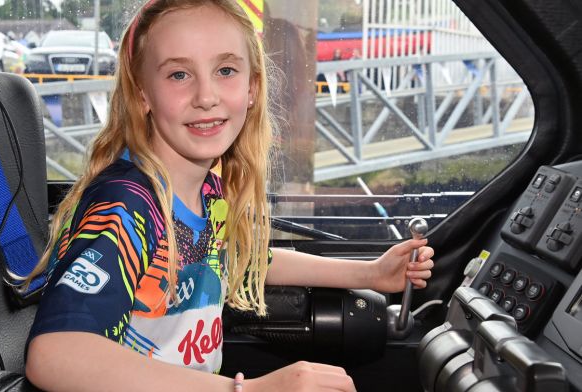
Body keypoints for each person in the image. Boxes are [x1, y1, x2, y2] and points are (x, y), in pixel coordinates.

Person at [24, 1, 435, 391]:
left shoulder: (204, 191)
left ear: (253, 87)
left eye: (225, 70)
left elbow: (240, 257)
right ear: (142, 93)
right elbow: (55, 352)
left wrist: (370, 274)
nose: (206, 97)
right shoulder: (128, 205)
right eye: (178, 75)